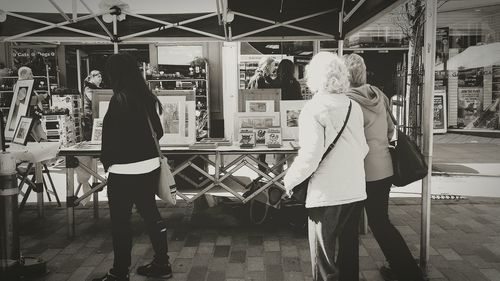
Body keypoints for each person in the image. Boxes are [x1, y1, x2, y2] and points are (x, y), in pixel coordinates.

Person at [284, 52, 368, 281]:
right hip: (354, 189)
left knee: (325, 262)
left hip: (326, 193)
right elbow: (363, 149)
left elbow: (310, 156)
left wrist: (289, 181)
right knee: (349, 255)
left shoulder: (313, 109)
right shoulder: (354, 106)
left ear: (314, 78)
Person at [344, 53, 425, 281]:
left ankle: (347, 274)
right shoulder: (378, 95)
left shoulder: (346, 101)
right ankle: (408, 270)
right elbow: (391, 130)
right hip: (384, 169)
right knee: (381, 222)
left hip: (358, 171)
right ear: (364, 71)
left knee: (348, 226)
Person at [94, 53, 171, 281]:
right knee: (151, 215)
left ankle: (119, 272)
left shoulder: (118, 100)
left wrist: (107, 162)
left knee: (121, 224)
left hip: (123, 172)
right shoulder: (147, 97)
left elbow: (109, 140)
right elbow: (160, 132)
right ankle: (162, 263)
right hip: (148, 167)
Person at [82, 70, 102, 141]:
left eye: (101, 77)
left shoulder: (93, 87)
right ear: (93, 77)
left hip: (93, 113)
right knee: (90, 133)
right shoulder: (88, 88)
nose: (100, 78)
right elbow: (93, 99)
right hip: (89, 114)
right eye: (98, 76)